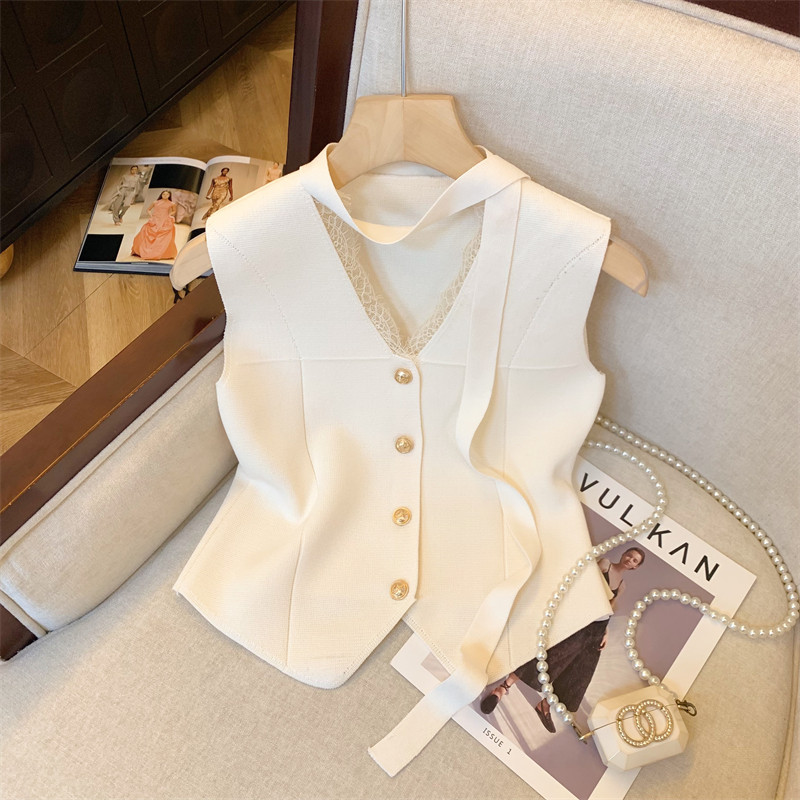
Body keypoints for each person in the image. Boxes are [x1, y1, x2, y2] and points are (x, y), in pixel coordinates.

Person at [479, 547, 646, 732]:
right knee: (553, 654)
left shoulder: (622, 586)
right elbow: (584, 586)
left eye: (635, 560)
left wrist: (605, 631)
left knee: (580, 670)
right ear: (624, 554)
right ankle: (502, 688)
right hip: (580, 617)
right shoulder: (605, 564)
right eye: (629, 555)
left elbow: (610, 607)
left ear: (635, 567)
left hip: (597, 627)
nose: (630, 560)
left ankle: (545, 705)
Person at [131, 190, 178, 261]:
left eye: (167, 194)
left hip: (164, 220)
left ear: (169, 195)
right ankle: (146, 251)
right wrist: (151, 216)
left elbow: (174, 210)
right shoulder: (155, 202)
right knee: (147, 233)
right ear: (161, 195)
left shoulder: (171, 204)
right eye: (164, 194)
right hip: (155, 219)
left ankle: (160, 252)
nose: (165, 196)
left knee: (163, 236)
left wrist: (169, 215)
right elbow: (148, 209)